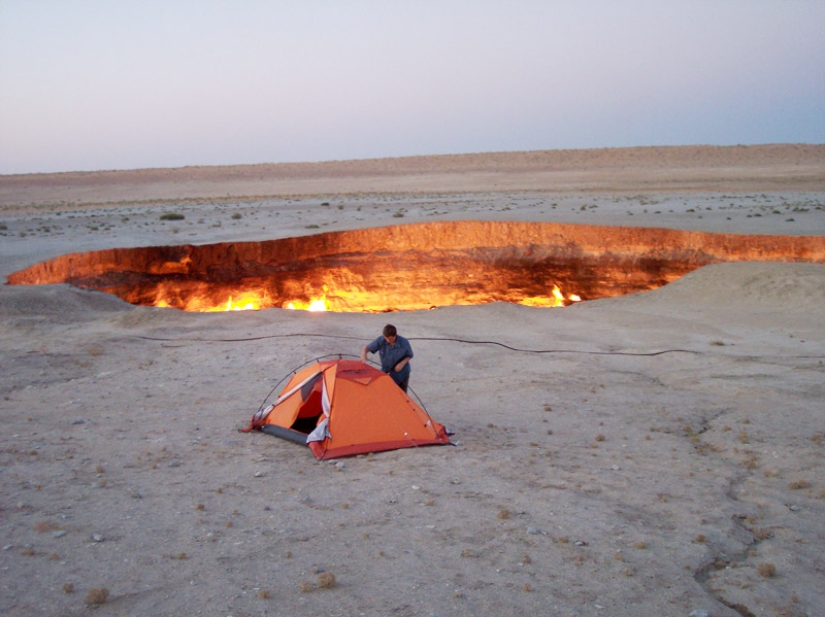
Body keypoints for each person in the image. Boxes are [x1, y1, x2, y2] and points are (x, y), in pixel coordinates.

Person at [361, 324, 413, 392]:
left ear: (395, 335)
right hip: (386, 371)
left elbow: (410, 355)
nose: (389, 341)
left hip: (401, 373)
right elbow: (367, 348)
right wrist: (364, 353)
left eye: (391, 339)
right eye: (387, 338)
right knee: (385, 391)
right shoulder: (381, 340)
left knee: (401, 394)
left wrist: (402, 363)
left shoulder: (404, 342)